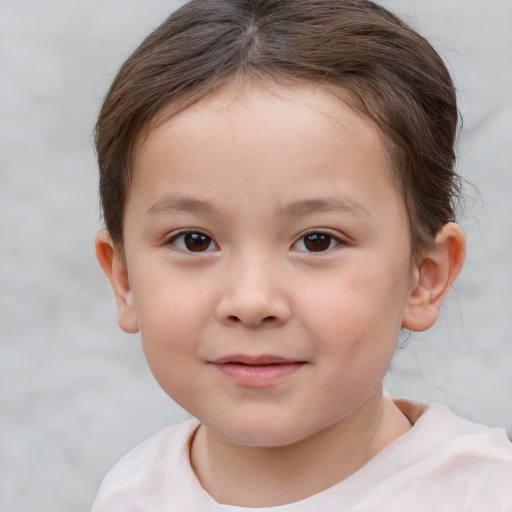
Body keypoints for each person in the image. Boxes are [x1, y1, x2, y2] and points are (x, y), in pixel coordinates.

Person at [91, 0, 512, 509]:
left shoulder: (483, 494)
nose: (251, 301)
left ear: (424, 277)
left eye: (318, 241)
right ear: (125, 279)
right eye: (194, 240)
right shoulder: (131, 492)